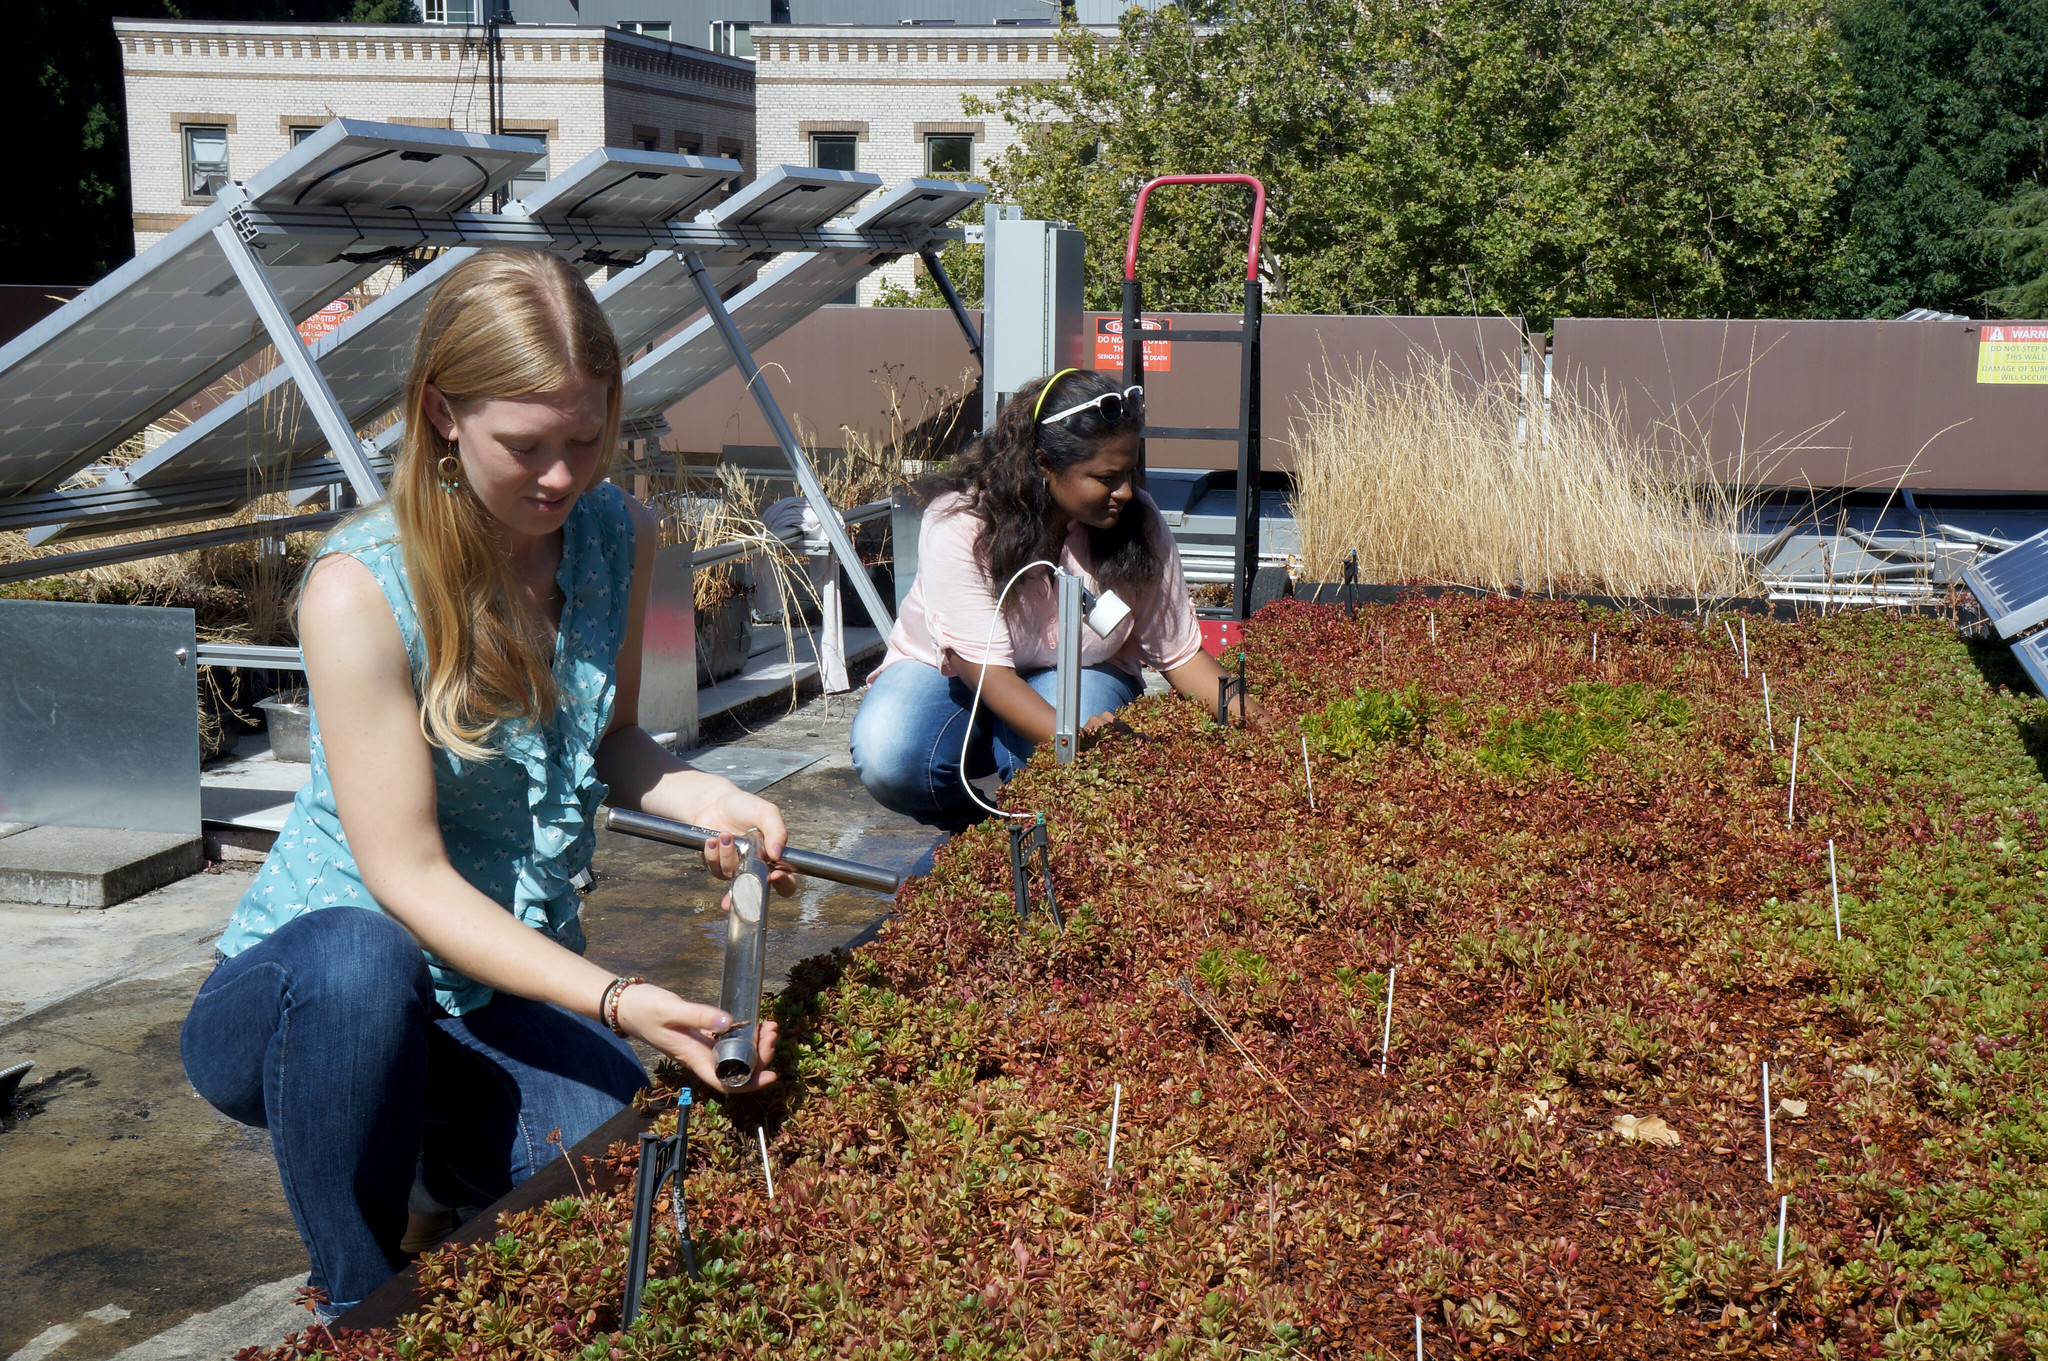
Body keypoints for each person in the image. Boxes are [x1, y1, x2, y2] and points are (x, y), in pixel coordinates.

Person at [179, 249, 792, 1319]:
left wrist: (710, 799)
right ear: (442, 415)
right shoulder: (360, 587)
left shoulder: (617, 535)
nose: (562, 477)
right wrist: (618, 999)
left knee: (610, 1170)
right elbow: (406, 876)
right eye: (527, 445)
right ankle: (358, 1296)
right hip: (310, 1002)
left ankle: (418, 1164)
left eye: (586, 438)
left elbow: (603, 742)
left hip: (488, 995)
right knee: (362, 960)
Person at [851, 367, 1266, 827]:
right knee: (890, 751)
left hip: (1083, 671)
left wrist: (1252, 719)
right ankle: (977, 835)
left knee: (1060, 757)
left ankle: (1042, 834)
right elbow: (986, 674)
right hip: (956, 674)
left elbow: (1179, 655)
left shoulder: (1139, 523)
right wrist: (1082, 739)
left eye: (1128, 472)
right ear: (1043, 463)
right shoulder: (962, 523)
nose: (1126, 491)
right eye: (1106, 477)